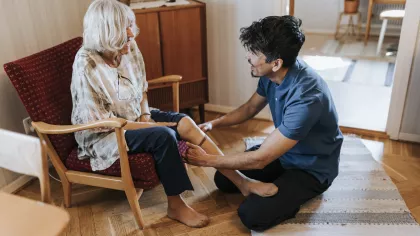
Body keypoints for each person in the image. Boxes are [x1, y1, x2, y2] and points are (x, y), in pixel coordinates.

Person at [71, 0, 278, 228]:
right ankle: (176, 205)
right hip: (106, 133)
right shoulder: (86, 63)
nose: (132, 33)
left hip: (134, 116)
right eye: (124, 30)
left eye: (130, 26)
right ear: (106, 32)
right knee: (163, 136)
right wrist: (150, 127)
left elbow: (141, 87)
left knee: (187, 123)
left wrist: (145, 115)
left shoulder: (128, 47)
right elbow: (101, 122)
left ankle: (242, 182)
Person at [184, 15, 343, 231]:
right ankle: (281, 184)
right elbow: (250, 108)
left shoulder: (307, 97)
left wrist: (206, 160)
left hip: (312, 168)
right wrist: (214, 124)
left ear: (276, 63)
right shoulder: (271, 74)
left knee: (252, 214)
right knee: (224, 180)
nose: (248, 57)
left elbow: (261, 159)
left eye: (254, 53)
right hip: (285, 154)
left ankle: (292, 199)